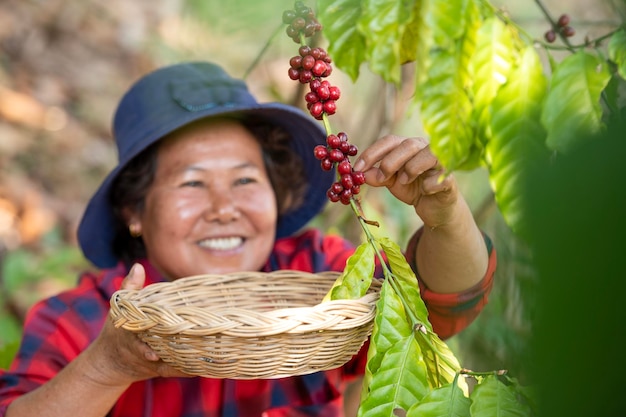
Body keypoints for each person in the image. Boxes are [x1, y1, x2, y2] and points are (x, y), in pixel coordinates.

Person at [0, 61, 496, 417]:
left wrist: (446, 215)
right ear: (134, 210)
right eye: (192, 184)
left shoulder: (320, 273)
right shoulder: (76, 319)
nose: (224, 209)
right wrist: (107, 366)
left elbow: (436, 309)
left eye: (245, 181)